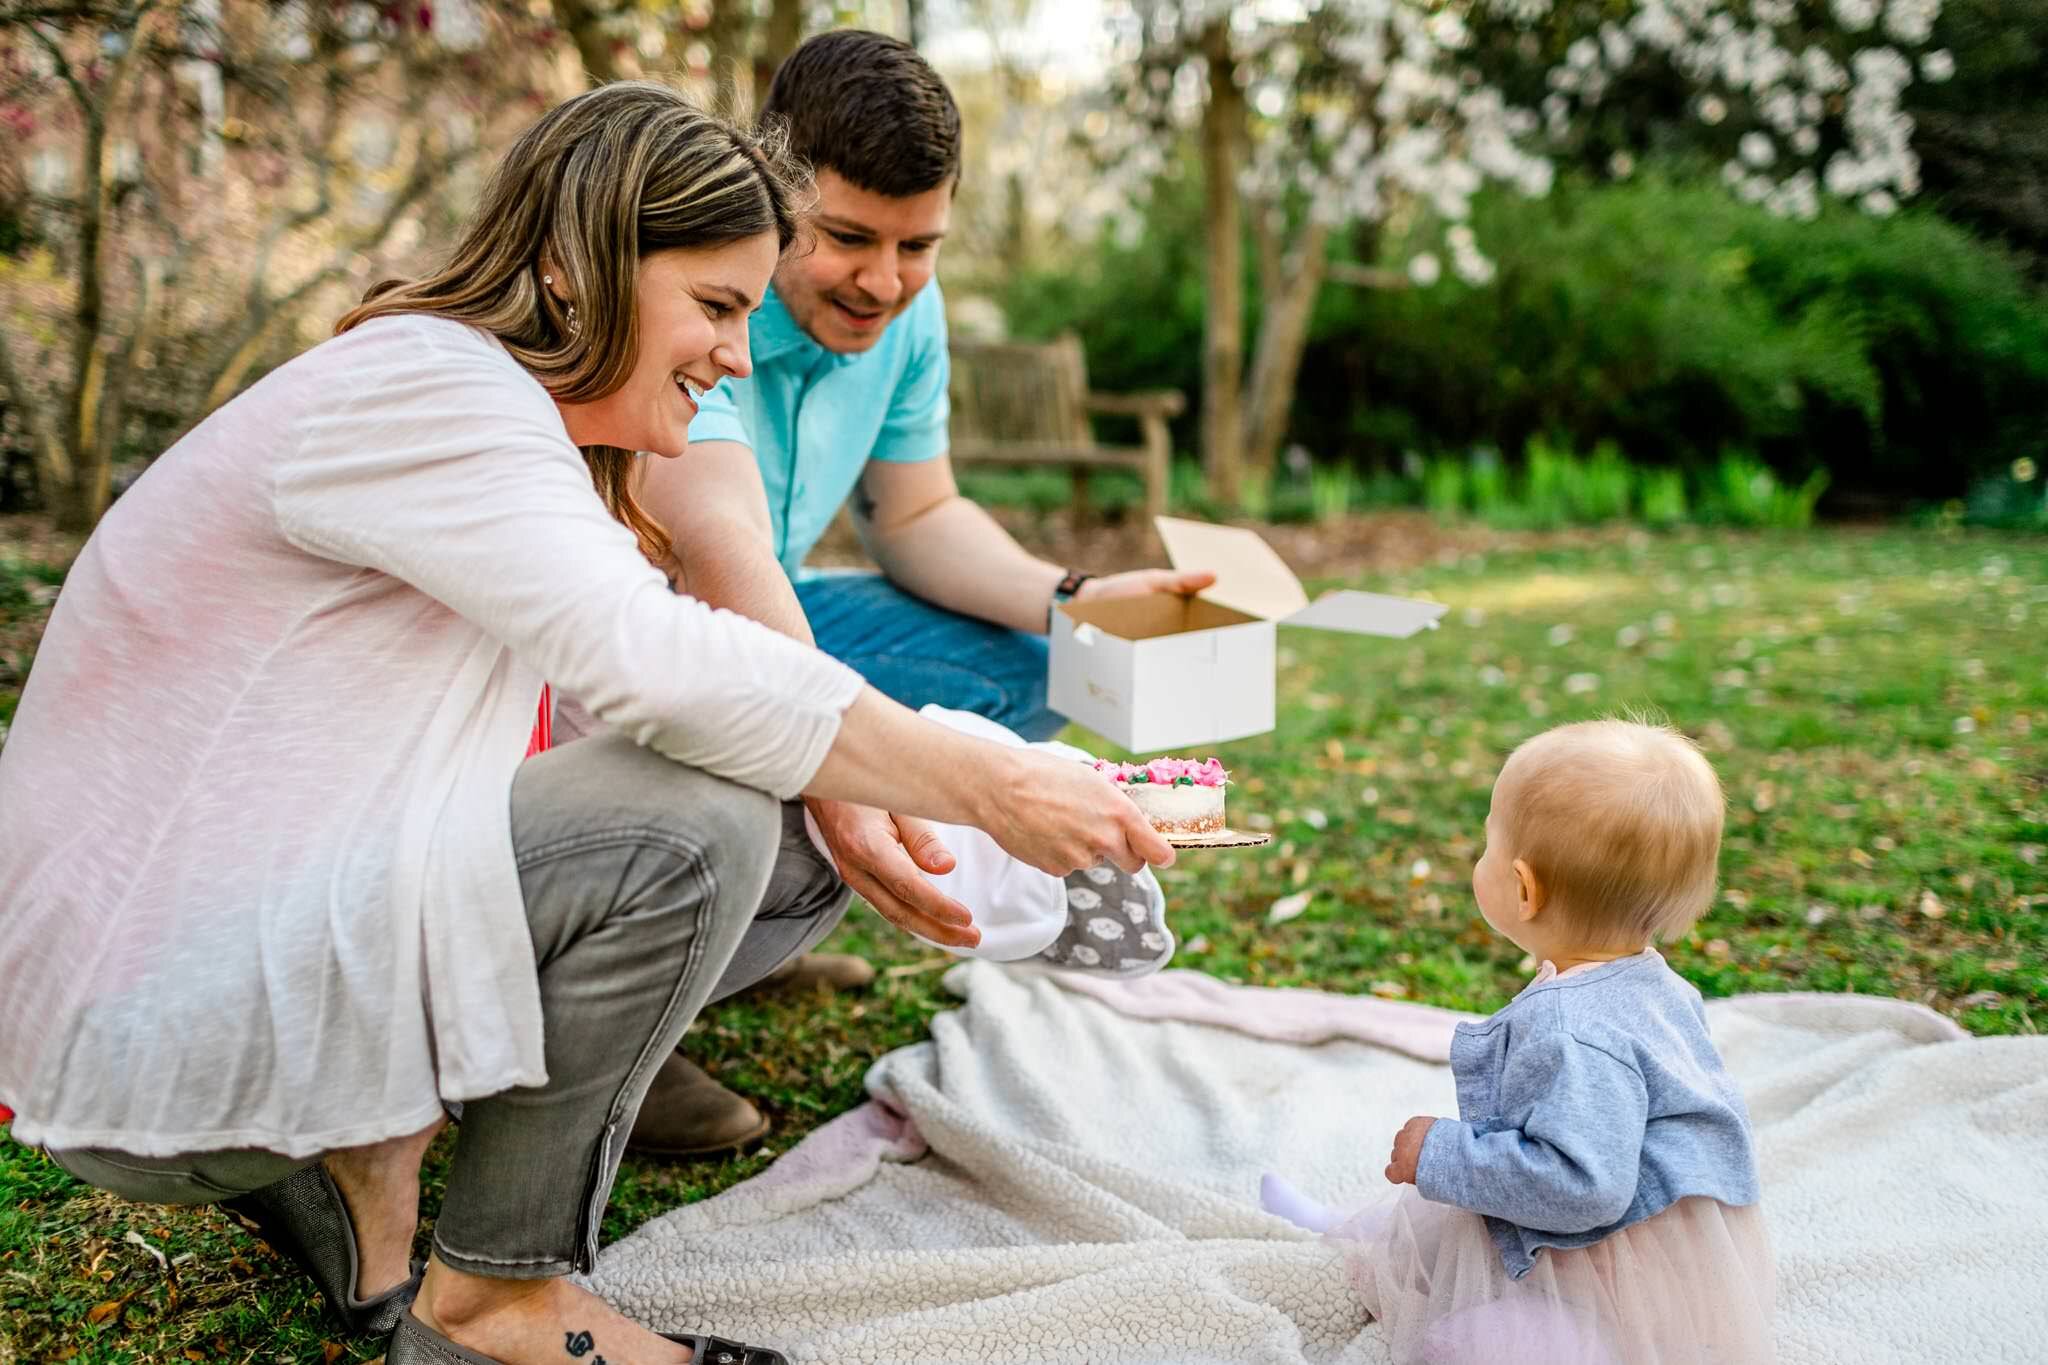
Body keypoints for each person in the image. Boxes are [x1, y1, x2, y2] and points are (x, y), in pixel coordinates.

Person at [0, 84, 1170, 1365]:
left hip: (244, 947)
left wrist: (896, 781)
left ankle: (364, 1167)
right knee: (701, 814)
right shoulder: (429, 393)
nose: (737, 355)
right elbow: (654, 661)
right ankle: (499, 1298)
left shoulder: (492, 403)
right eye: (717, 309)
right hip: (153, 1024)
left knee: (789, 814)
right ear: (573, 274)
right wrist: (992, 786)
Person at [630, 27, 1213, 1155]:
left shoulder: (905, 315)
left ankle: (745, 942)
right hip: (644, 642)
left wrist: (1078, 596)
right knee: (808, 745)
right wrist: (847, 764)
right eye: (848, 238)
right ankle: (635, 1015)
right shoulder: (701, 302)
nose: (884, 282)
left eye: (918, 246)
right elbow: (718, 555)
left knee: (1047, 658)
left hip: (782, 600)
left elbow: (917, 518)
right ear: (768, 191)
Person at [1260, 720, 1776, 1364]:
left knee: (1472, 1338)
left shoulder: (1572, 1030)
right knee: (1438, 1214)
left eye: (1487, 845)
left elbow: (1583, 1190)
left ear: (1525, 890)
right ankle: (1356, 1242)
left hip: (1605, 1268)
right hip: (1660, 1239)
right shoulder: (1649, 981)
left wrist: (1443, 1154)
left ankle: (1555, 1334)